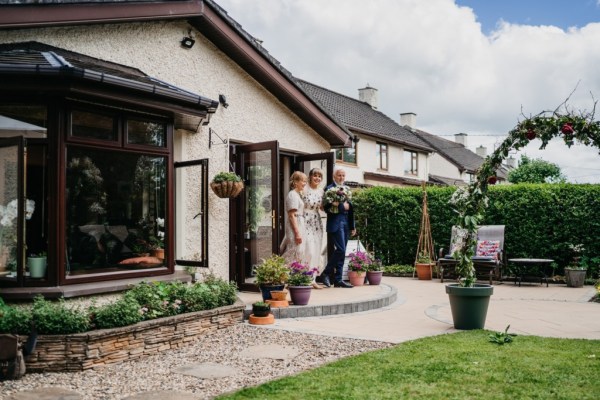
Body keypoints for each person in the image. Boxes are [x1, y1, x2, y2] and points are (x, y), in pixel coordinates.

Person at [320, 166, 356, 288]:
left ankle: (338, 280)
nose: (341, 177)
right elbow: (326, 208)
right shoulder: (329, 189)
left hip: (346, 222)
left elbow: (351, 209)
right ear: (334, 176)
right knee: (340, 249)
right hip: (335, 223)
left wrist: (352, 226)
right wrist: (341, 206)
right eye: (339, 175)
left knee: (342, 251)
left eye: (343, 175)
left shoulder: (346, 189)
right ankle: (326, 273)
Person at [303, 167, 325, 289]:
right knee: (308, 250)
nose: (317, 178)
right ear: (310, 176)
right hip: (305, 220)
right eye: (315, 175)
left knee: (316, 250)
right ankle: (304, 277)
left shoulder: (322, 191)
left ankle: (313, 279)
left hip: (316, 222)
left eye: (319, 176)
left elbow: (322, 208)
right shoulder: (304, 189)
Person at [280, 171, 308, 267]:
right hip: (295, 224)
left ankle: (294, 276)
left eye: (305, 181)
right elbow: (292, 215)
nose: (304, 184)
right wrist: (297, 233)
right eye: (302, 181)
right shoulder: (292, 195)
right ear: (295, 182)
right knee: (293, 251)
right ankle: (280, 272)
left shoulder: (298, 194)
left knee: (298, 252)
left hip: (300, 223)